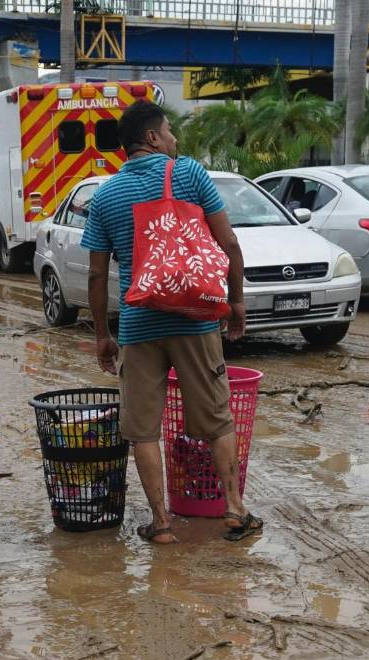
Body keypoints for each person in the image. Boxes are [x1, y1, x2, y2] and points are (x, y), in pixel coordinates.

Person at [80, 100, 263, 545]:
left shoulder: (103, 196)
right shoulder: (190, 174)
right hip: (195, 320)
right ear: (152, 138)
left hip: (139, 325)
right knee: (218, 419)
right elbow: (230, 244)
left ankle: (161, 523)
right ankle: (235, 511)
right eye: (170, 131)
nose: (175, 139)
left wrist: (104, 334)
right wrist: (235, 302)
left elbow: (97, 274)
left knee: (143, 428)